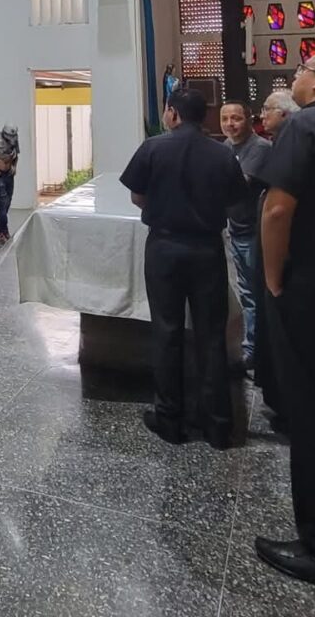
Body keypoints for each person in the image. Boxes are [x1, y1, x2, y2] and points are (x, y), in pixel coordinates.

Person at [255, 52, 315, 595]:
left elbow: (276, 210)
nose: (293, 77)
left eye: (301, 70)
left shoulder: (309, 124)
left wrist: (272, 279)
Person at [120, 88, 247, 447]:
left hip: (164, 247)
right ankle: (219, 425)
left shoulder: (153, 148)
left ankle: (170, 420)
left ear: (173, 113)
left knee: (167, 331)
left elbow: (137, 195)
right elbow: (236, 200)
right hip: (207, 249)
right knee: (211, 334)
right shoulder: (223, 154)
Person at [254, 90, 298, 422]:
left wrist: (270, 273)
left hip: (287, 258)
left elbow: (277, 211)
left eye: (267, 110)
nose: (262, 116)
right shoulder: (283, 142)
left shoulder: (296, 140)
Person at [220, 100, 271, 372]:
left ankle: (255, 351)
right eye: (225, 118)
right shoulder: (226, 148)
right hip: (233, 229)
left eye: (236, 118)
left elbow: (241, 184)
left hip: (253, 232)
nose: (230, 124)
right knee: (244, 292)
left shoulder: (260, 148)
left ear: (249, 120)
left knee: (253, 294)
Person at [0, 125, 19, 244]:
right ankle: (3, 231)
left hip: (9, 175)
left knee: (7, 203)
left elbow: (16, 155)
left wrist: (14, 167)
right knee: (2, 203)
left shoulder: (15, 139)